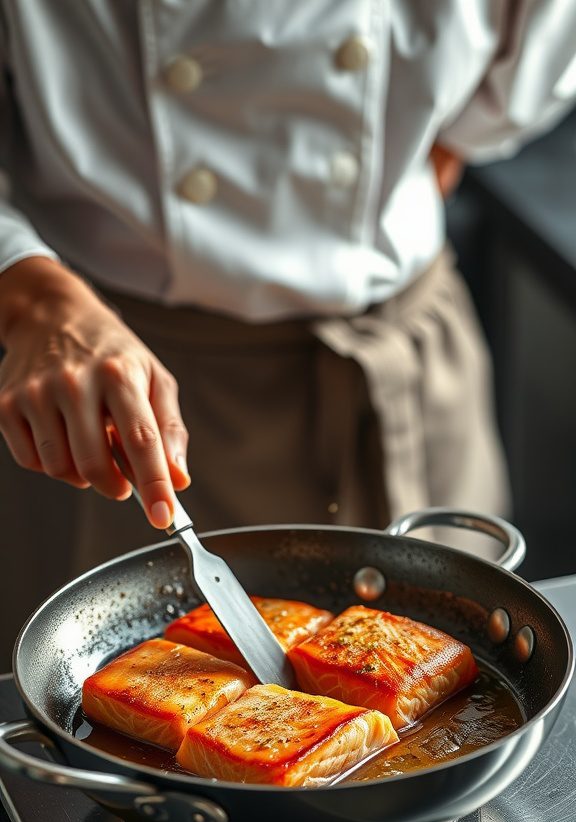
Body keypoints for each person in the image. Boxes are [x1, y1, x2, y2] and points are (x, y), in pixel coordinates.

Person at [0, 2, 575, 662]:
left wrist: (417, 171)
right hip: (117, 395)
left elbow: (545, 41)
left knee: (465, 680)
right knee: (109, 708)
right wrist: (35, 298)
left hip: (410, 367)